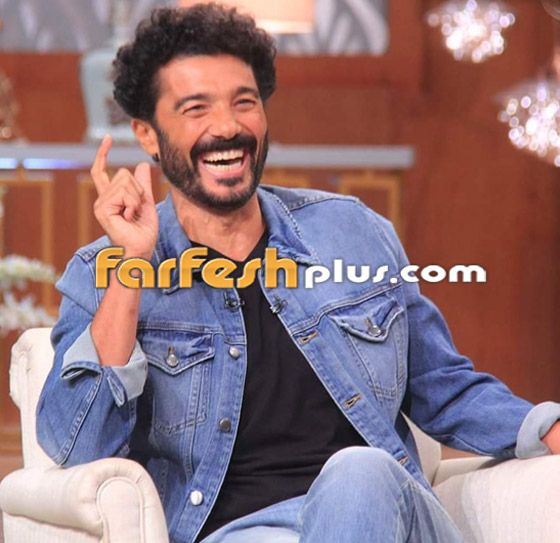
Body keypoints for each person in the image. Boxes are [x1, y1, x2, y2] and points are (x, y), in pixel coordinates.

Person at [36, 4, 560, 543]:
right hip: (243, 535)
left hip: (386, 512)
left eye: (245, 102)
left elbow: (441, 386)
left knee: (359, 472)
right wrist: (132, 266)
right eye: (196, 109)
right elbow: (78, 445)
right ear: (148, 134)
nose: (228, 127)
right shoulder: (106, 272)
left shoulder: (353, 232)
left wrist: (548, 429)